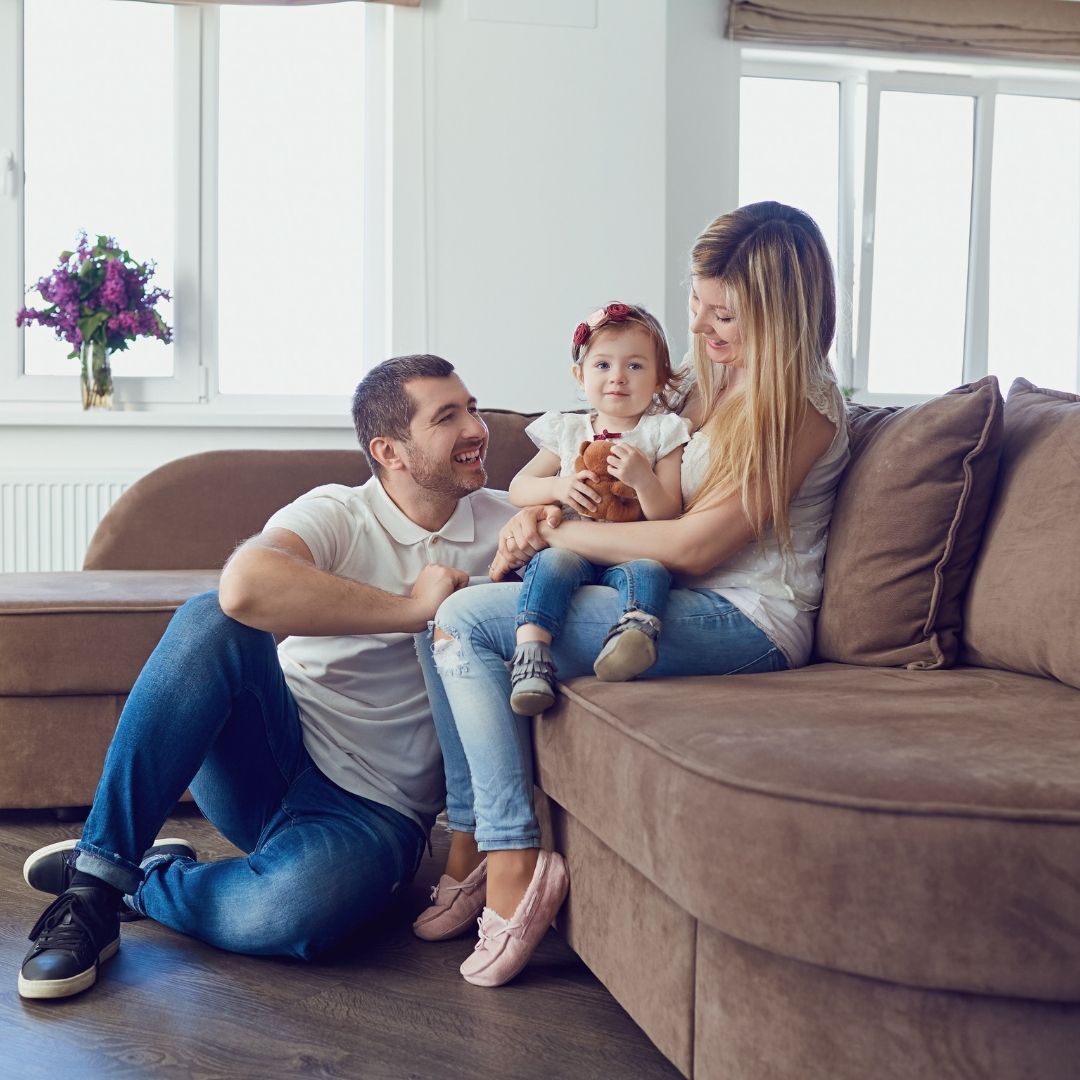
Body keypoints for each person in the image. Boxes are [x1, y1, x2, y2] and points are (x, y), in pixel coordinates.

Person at [411, 201, 850, 988]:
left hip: (747, 618)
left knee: (468, 624)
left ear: (784, 317)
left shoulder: (800, 407)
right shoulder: (700, 385)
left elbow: (693, 543)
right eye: (697, 305)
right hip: (659, 590)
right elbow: (610, 482)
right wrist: (543, 513)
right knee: (436, 620)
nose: (706, 329)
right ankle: (473, 836)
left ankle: (515, 858)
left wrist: (556, 537)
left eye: (728, 317)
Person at [17, 353, 516, 1001]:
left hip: (374, 815)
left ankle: (143, 879)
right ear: (389, 450)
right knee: (211, 618)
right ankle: (92, 890)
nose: (477, 427)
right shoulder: (339, 510)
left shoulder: (510, 525)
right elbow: (246, 586)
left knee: (290, 915)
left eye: (474, 407)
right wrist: (412, 611)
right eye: (450, 416)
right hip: (269, 755)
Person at [505, 301, 690, 716]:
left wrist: (643, 479)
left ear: (660, 377)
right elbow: (519, 488)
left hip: (633, 547)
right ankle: (532, 654)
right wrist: (561, 485)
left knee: (650, 571)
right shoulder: (568, 430)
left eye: (636, 366)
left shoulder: (663, 432)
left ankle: (633, 635)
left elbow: (667, 514)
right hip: (574, 545)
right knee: (550, 564)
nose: (618, 378)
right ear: (580, 375)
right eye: (603, 365)